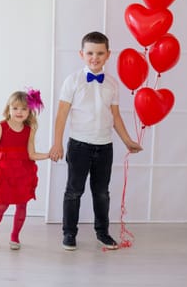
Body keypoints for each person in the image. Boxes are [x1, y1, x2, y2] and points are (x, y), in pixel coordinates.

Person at [49, 31, 143, 251]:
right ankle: (69, 233)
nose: (95, 57)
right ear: (82, 54)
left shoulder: (111, 83)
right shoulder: (72, 81)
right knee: (74, 191)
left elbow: (116, 116)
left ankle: (103, 233)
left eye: (100, 53)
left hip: (104, 146)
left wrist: (128, 140)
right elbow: (62, 114)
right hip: (79, 144)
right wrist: (57, 143)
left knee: (102, 192)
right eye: (90, 53)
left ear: (108, 55)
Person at [0, 89, 49, 250]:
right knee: (1, 205)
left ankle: (15, 236)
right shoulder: (2, 127)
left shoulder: (30, 130)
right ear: (9, 109)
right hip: (5, 172)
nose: (19, 112)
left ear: (29, 111)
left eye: (24, 109)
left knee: (22, 205)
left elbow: (31, 154)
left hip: (23, 173)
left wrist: (48, 155)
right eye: (15, 108)